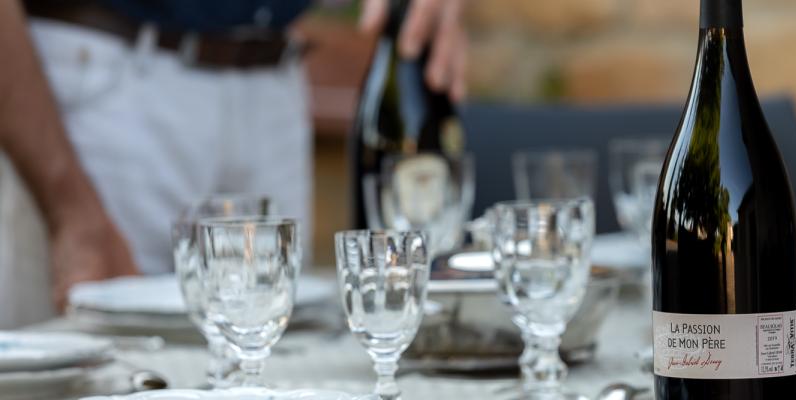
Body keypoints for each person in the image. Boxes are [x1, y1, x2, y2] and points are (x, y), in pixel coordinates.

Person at [0, 0, 468, 328]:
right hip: (103, 79)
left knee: (273, 356)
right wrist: (69, 207)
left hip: (276, 78)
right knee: (102, 364)